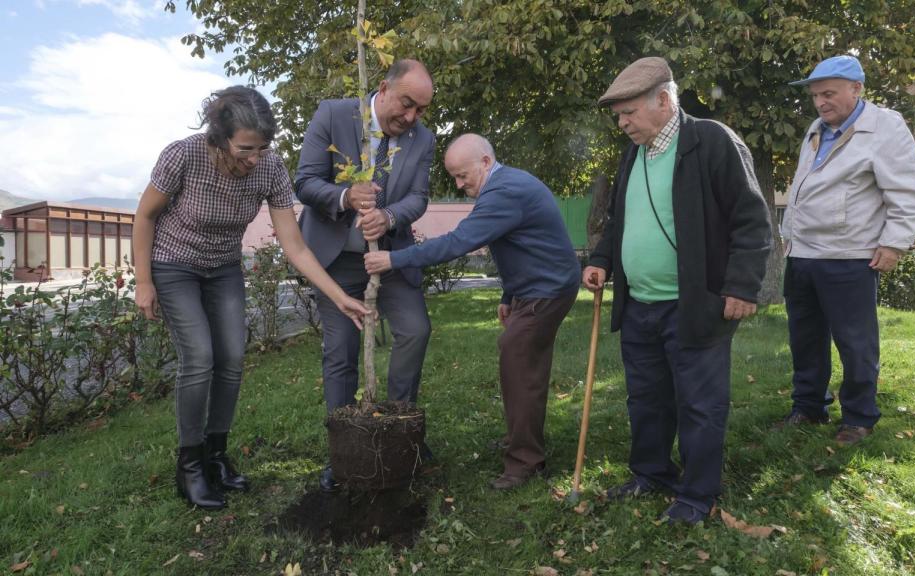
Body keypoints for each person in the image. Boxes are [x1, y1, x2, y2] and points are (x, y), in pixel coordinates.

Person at [133, 86, 370, 510]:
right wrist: (143, 281)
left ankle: (216, 456)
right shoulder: (182, 156)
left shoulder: (270, 169)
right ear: (220, 136)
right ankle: (189, 467)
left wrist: (337, 296)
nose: (255, 157)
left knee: (232, 359)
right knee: (200, 357)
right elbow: (145, 215)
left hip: (223, 267)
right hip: (173, 265)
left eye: (262, 147)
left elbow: (295, 247)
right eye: (246, 148)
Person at [583, 57, 772, 525]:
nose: (622, 123)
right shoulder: (636, 152)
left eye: (628, 112)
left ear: (663, 101)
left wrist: (742, 286)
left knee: (699, 403)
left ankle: (697, 494)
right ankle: (651, 472)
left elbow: (752, 219)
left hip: (694, 304)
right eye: (618, 115)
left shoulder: (710, 140)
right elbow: (621, 220)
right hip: (641, 304)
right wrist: (602, 260)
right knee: (645, 397)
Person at [365, 134, 581, 489]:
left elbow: (458, 242)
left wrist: (392, 259)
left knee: (520, 362)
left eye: (463, 175)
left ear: (484, 161)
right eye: (453, 176)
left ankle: (525, 461)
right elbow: (517, 245)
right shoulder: (502, 186)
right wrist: (510, 295)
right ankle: (521, 440)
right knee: (519, 359)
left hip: (548, 290)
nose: (458, 183)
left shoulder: (504, 191)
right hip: (535, 288)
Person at [294, 59, 436, 492]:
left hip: (390, 260)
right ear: (383, 87)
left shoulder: (422, 140)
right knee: (341, 352)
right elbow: (304, 182)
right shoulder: (334, 115)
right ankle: (343, 452)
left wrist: (389, 217)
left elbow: (419, 197)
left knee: (415, 330)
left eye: (420, 111)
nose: (410, 118)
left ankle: (398, 429)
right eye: (407, 104)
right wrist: (344, 195)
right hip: (336, 263)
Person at [778, 55, 915, 445]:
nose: (820, 103)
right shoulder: (816, 129)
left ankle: (860, 417)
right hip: (803, 255)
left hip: (849, 256)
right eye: (815, 96)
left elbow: (908, 192)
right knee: (804, 338)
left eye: (828, 94)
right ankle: (808, 407)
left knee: (855, 341)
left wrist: (894, 243)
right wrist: (789, 235)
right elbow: (801, 189)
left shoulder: (884, 127)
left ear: (857, 89)